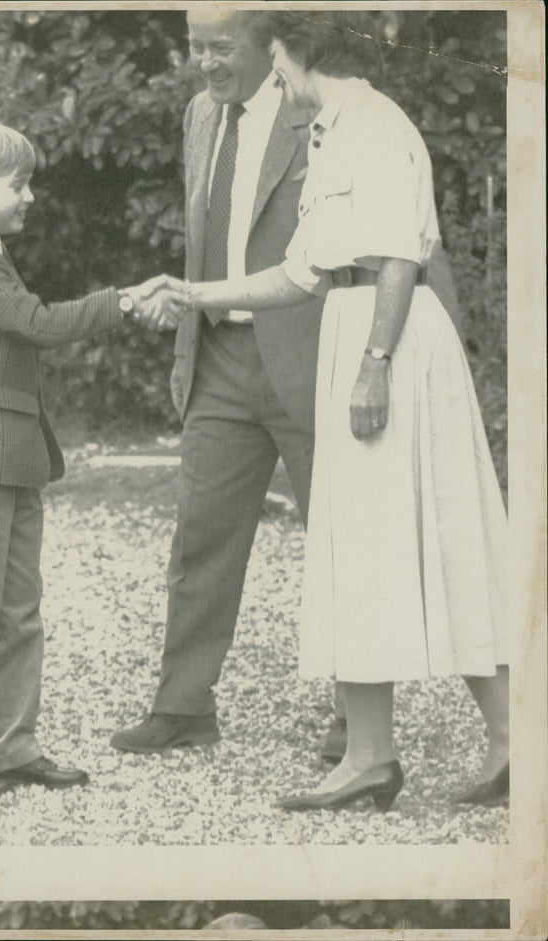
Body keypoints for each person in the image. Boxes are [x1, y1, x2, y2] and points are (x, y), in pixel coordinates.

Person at [172, 12, 509, 811]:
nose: (274, 80)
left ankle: (513, 740)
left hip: (388, 338)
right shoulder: (328, 129)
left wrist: (375, 364)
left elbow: (397, 255)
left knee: (447, 534)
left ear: (295, 54)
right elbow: (298, 272)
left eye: (277, 65)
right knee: (355, 546)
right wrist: (195, 292)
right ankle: (369, 756)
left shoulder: (376, 128)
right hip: (349, 327)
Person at [111, 8, 459, 761]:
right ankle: (182, 703)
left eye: (220, 46)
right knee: (199, 537)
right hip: (220, 357)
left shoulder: (322, 114)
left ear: (268, 48)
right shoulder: (200, 115)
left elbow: (394, 246)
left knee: (342, 537)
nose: (204, 62)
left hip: (316, 355)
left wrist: (388, 362)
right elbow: (203, 238)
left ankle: (356, 721)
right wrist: (186, 341)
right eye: (193, 46)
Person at [0, 117, 173, 799]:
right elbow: (40, 323)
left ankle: (10, 746)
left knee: (17, 611)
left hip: (6, 459)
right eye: (17, 184)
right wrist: (125, 302)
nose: (30, 196)